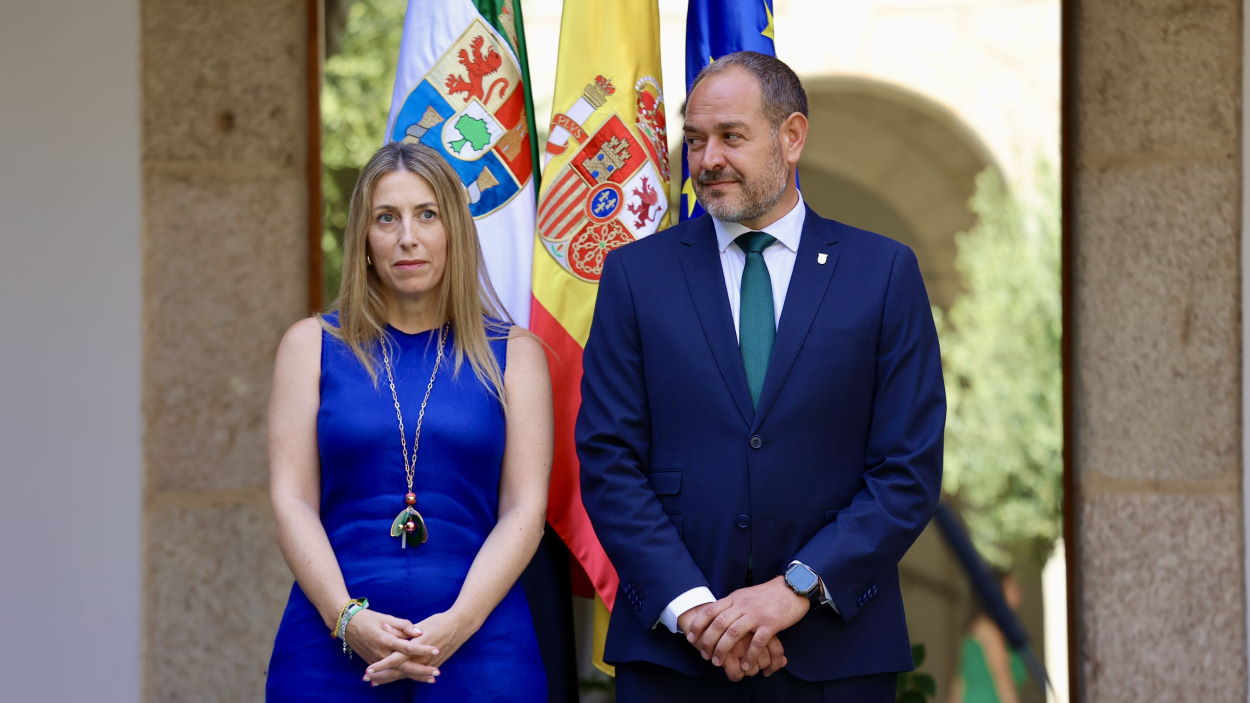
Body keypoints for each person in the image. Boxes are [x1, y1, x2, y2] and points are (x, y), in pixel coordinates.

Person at [576, 51, 946, 702]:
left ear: (792, 136)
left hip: (837, 654)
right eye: (694, 140)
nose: (708, 158)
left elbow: (907, 468)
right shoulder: (635, 277)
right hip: (673, 658)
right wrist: (697, 611)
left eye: (731, 136)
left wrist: (795, 589)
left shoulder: (883, 273)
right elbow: (609, 461)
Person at [266, 142, 552, 701]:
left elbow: (526, 509)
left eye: (427, 214)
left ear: (455, 232)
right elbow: (291, 500)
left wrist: (456, 625)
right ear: (364, 241)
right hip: (331, 647)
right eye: (386, 218)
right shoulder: (310, 347)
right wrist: (347, 619)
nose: (407, 237)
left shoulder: (517, 354)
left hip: (482, 645)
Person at [948, 572, 1027, 703]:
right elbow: (1004, 683)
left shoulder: (985, 628)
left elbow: (960, 683)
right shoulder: (990, 630)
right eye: (1011, 586)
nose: (1018, 591)